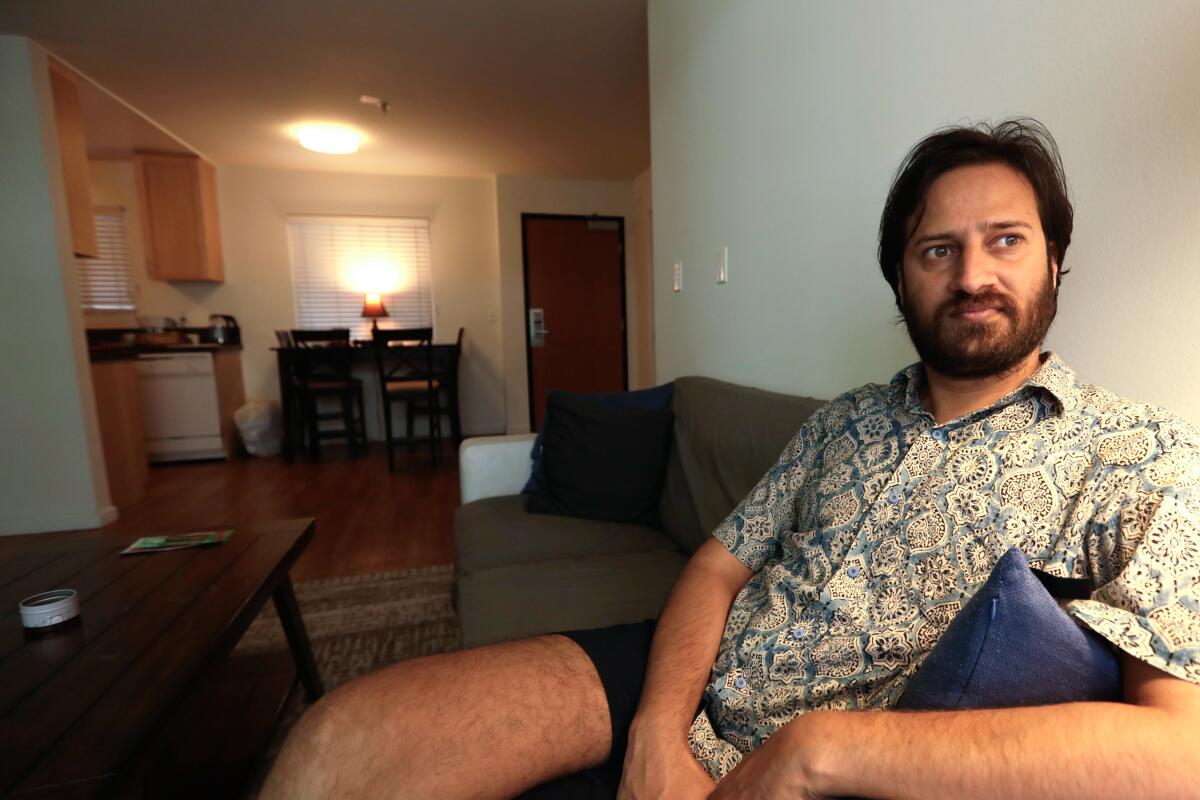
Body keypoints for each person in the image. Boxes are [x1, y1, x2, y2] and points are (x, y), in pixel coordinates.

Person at [261, 120, 1200, 799]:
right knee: (342, 743)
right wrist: (655, 733)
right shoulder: (846, 421)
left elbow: (1179, 755)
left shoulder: (1139, 455)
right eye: (936, 250)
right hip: (676, 677)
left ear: (1055, 262)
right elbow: (715, 565)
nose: (971, 276)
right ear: (901, 280)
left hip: (834, 764)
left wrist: (815, 750)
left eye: (1006, 241)